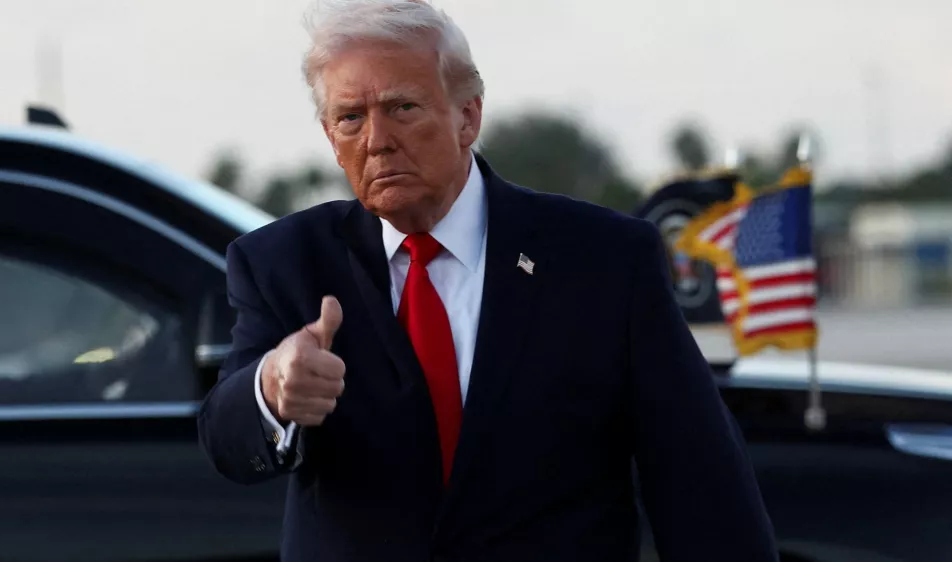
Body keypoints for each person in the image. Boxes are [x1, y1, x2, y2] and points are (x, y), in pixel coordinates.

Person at [197, 1, 779, 560]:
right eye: (351, 118)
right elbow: (226, 441)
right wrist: (271, 388)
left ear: (468, 116)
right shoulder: (282, 262)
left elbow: (699, 482)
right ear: (330, 136)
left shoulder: (602, 260)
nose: (376, 139)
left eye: (402, 107)